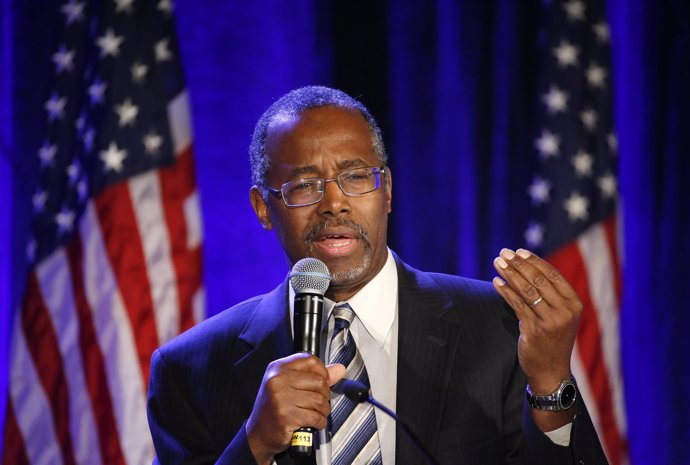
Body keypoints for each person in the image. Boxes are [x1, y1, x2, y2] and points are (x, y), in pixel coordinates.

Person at [147, 86, 608, 465]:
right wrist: (255, 443)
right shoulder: (190, 369)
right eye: (304, 186)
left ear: (385, 190)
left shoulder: (498, 327)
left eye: (355, 177)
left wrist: (549, 382)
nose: (334, 203)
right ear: (263, 208)